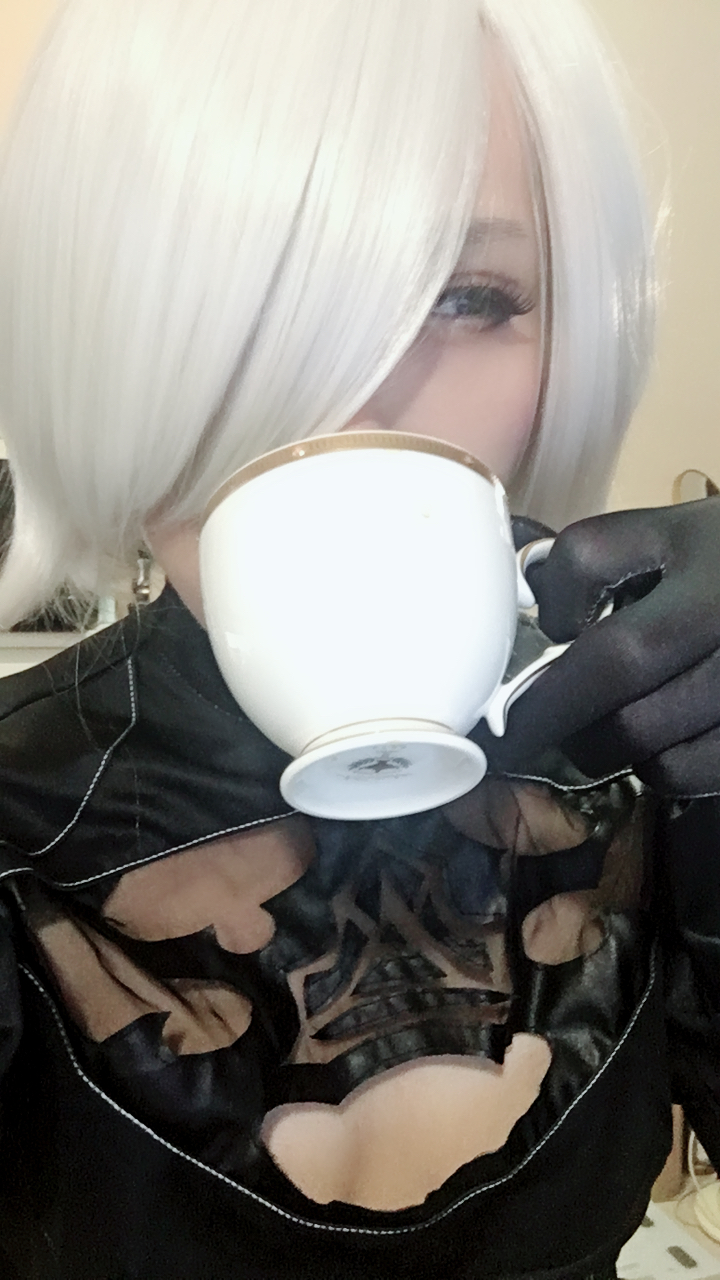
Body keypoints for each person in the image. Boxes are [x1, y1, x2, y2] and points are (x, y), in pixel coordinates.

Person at [0, 0, 718, 1277]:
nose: (344, 401)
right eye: (233, 305)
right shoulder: (16, 803)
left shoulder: (651, 736)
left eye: (468, 294)